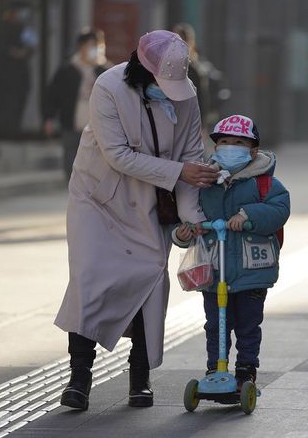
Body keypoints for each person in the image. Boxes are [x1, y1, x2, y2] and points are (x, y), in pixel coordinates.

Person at [54, 30, 220, 411]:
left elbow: (193, 150)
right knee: (89, 280)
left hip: (151, 200)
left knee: (149, 281)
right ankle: (79, 378)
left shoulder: (187, 94)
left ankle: (139, 377)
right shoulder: (108, 86)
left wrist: (192, 218)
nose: (170, 91)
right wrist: (179, 171)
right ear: (141, 69)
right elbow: (118, 155)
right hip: (99, 198)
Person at [173, 115, 290, 388]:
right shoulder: (205, 182)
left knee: (248, 325)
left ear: (252, 150)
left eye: (238, 142)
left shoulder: (264, 184)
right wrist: (182, 234)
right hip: (214, 271)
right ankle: (215, 368)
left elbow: (279, 210)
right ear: (215, 148)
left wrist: (248, 215)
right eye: (224, 142)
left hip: (252, 271)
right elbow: (191, 215)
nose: (230, 147)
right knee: (215, 325)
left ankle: (246, 370)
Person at [43, 28, 109, 180]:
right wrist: (49, 117)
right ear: (81, 47)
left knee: (96, 161)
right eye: (91, 45)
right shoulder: (68, 70)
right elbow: (53, 95)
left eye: (97, 45)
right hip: (72, 121)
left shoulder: (104, 70)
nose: (94, 49)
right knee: (71, 157)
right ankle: (72, 189)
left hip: (97, 125)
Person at [0, 1, 37, 140]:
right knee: (8, 102)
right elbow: (3, 48)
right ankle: (6, 130)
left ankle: (15, 129)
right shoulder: (3, 28)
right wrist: (13, 53)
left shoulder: (25, 29)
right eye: (20, 11)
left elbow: (32, 46)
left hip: (22, 72)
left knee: (20, 99)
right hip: (7, 72)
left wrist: (25, 52)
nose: (23, 15)